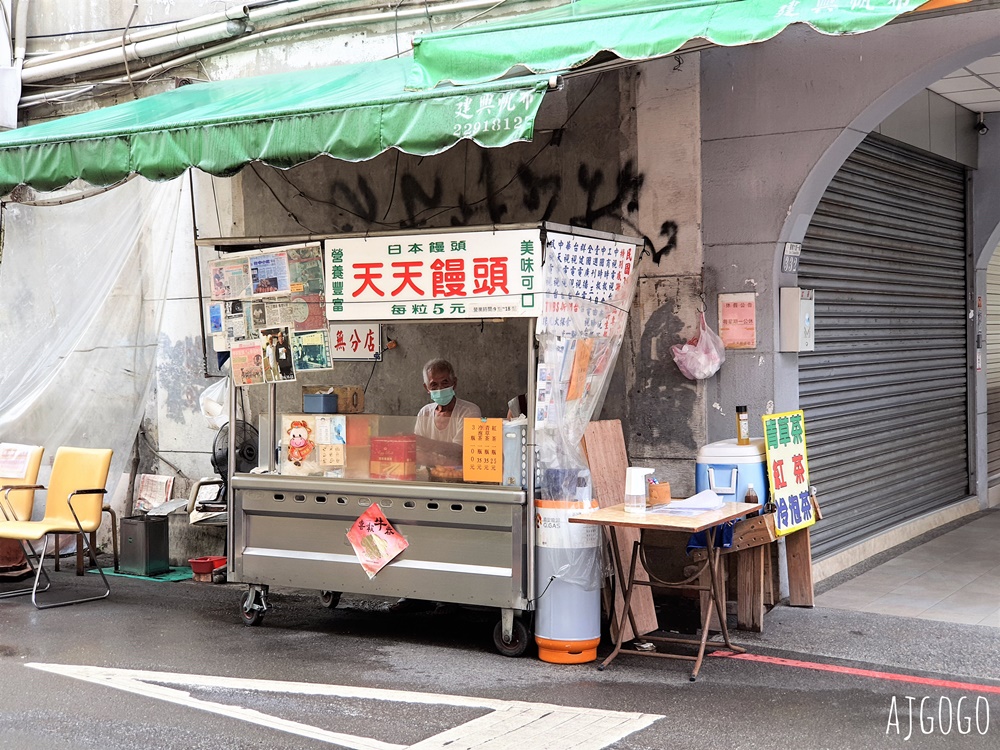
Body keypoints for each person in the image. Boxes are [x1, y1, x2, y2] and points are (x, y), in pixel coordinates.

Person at [413, 358, 481, 466]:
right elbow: (418, 453)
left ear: (454, 383)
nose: (440, 389)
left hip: (459, 478)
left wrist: (423, 442)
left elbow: (460, 452)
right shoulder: (424, 412)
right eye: (434, 385)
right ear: (427, 388)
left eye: (445, 383)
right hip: (428, 477)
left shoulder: (469, 411)